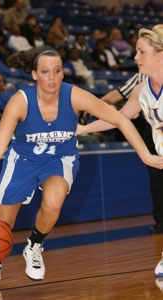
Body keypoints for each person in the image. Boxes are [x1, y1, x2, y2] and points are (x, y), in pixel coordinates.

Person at [0, 47, 163, 293]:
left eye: (56, 71)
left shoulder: (74, 96)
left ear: (63, 75)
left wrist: (147, 157)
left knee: (53, 201)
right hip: (21, 160)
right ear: (34, 75)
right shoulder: (20, 101)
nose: (52, 77)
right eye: (45, 71)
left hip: (60, 158)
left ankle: (34, 244)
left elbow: (120, 118)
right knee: (3, 223)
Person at [73, 24, 163, 275]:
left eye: (141, 52)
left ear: (160, 56)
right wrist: (81, 130)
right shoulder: (141, 90)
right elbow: (119, 118)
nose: (135, 58)